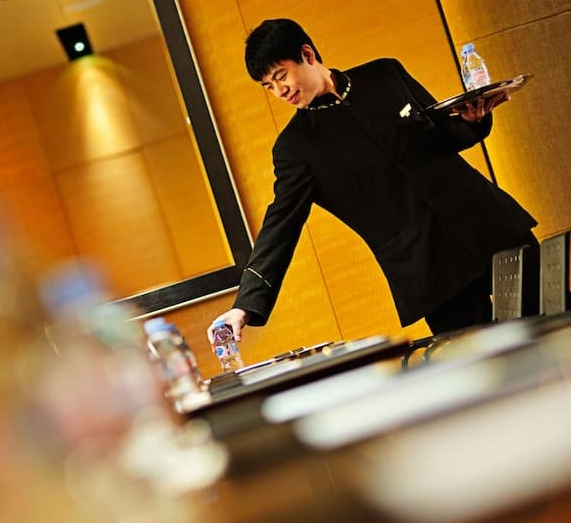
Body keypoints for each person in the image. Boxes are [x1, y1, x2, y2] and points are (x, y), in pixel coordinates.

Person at [207, 18, 538, 344]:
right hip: (432, 272)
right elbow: (281, 223)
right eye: (268, 86)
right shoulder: (295, 148)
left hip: (490, 225)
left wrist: (473, 121)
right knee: (486, 366)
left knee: (553, 326)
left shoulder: (385, 74)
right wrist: (245, 305)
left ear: (307, 54)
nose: (280, 91)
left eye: (281, 76)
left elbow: (445, 136)